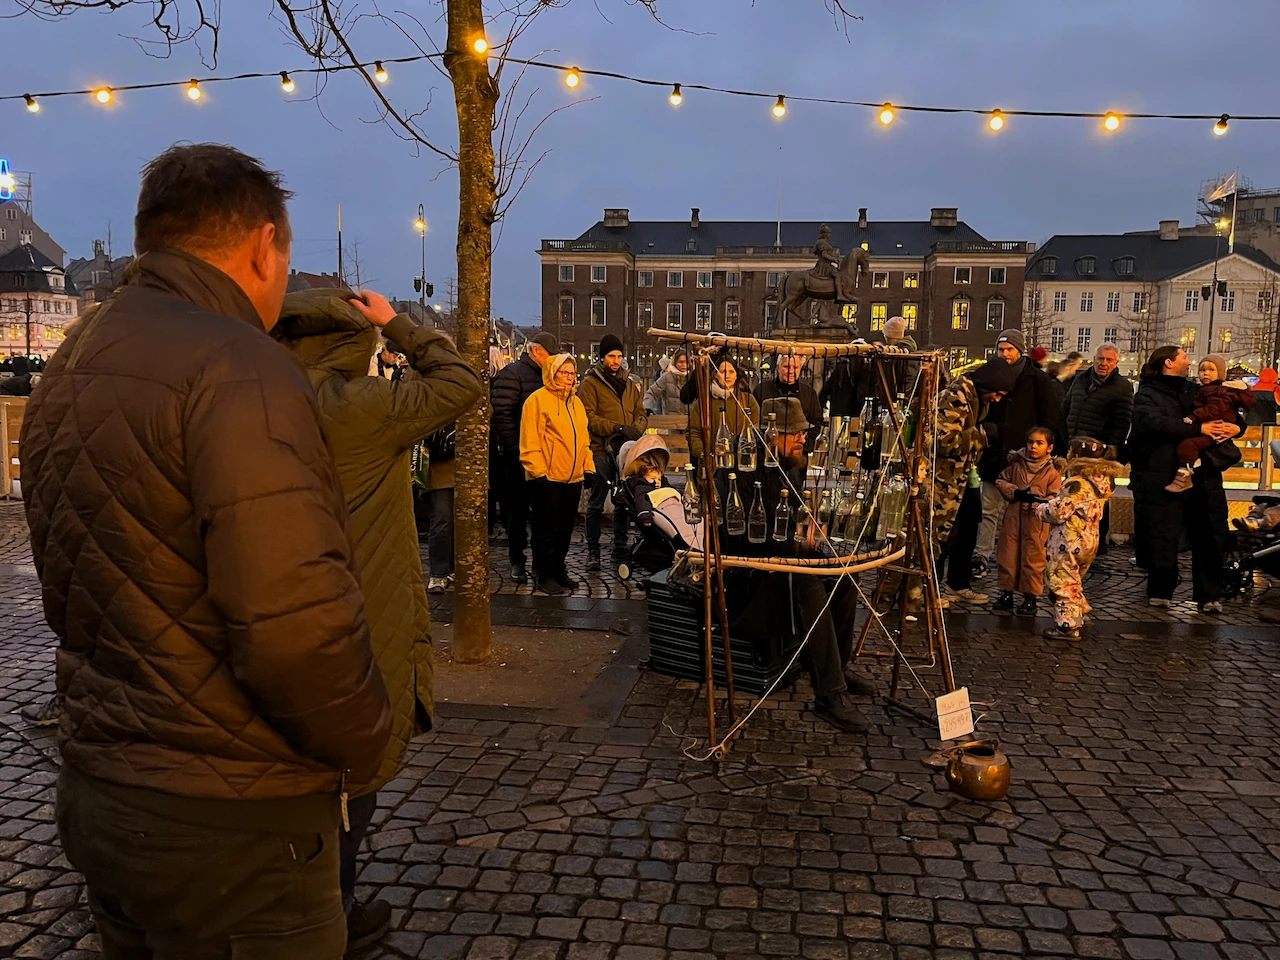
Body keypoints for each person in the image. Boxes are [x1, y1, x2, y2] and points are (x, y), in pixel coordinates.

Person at [19, 143, 392, 958]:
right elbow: (294, 626)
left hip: (105, 789)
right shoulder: (240, 368)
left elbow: (66, 579)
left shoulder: (74, 360)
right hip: (236, 820)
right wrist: (368, 741)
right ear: (264, 246)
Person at [273, 286, 481, 948]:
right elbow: (459, 382)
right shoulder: (355, 407)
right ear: (352, 344)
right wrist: (398, 323)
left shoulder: (260, 403)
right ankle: (331, 915)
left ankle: (314, 905)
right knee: (354, 765)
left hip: (287, 602)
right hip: (361, 605)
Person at [728, 396, 869, 734]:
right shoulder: (742, 469)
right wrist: (793, 542)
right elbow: (743, 535)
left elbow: (793, 517)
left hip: (782, 560)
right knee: (806, 581)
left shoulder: (787, 467)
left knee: (843, 574)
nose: (804, 440)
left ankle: (836, 665)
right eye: (797, 434)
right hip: (749, 576)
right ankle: (829, 694)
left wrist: (808, 530)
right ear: (774, 434)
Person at [1129, 345, 1241, 612]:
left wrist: (1237, 427)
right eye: (1184, 357)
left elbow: (1226, 409)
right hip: (1162, 473)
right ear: (1169, 363)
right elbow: (1153, 424)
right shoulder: (1148, 393)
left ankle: (1209, 594)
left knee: (1209, 534)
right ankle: (1160, 589)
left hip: (1204, 475)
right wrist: (1198, 427)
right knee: (1162, 535)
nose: (1190, 362)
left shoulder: (1195, 390)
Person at [974, 328, 1064, 579]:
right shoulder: (991, 375)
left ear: (1019, 350)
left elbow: (1051, 416)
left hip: (1028, 461)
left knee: (1028, 516)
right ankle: (982, 555)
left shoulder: (1037, 380)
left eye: (1009, 349)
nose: (1004, 354)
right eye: (1001, 350)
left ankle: (1028, 563)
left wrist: (1051, 449)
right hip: (995, 455)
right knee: (988, 510)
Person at [1037, 437, 1126, 641]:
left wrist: (1042, 509)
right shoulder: (1104, 481)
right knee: (1073, 578)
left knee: (1060, 580)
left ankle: (1067, 626)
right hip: (1089, 539)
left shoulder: (1076, 483)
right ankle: (1079, 610)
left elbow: (1059, 512)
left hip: (1068, 540)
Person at [520, 353, 595, 595]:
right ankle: (544, 573)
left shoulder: (576, 403)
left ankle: (559, 569)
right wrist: (538, 473)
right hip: (547, 477)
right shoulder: (537, 401)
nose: (569, 377)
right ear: (552, 373)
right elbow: (530, 440)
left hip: (572, 477)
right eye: (564, 372)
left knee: (564, 528)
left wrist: (588, 467)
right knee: (546, 529)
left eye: (572, 373)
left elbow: (583, 440)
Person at [490, 332, 558, 581]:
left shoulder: (547, 377)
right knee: (517, 510)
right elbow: (502, 415)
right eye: (549, 354)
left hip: (545, 454)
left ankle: (541, 562)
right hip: (518, 455)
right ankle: (517, 560)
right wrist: (513, 449)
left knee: (542, 511)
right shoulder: (513, 374)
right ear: (537, 351)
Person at [579, 334, 647, 570]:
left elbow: (641, 412)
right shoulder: (590, 383)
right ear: (602, 357)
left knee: (623, 502)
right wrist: (617, 428)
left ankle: (620, 548)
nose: (616, 360)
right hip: (601, 448)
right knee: (596, 503)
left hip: (625, 450)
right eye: (611, 356)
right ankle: (593, 551)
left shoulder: (629, 384)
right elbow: (588, 417)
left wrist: (635, 430)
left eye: (619, 356)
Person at [1061, 342, 1133, 549]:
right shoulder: (1080, 380)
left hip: (1100, 454)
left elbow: (1122, 422)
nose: (1104, 363)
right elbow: (1066, 408)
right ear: (1094, 359)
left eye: (1109, 360)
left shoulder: (1122, 387)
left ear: (1116, 362)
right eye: (1101, 358)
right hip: (1075, 450)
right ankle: (1073, 536)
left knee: (1099, 498)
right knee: (1073, 492)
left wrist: (1111, 450)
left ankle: (1098, 542)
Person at [992, 427, 1062, 616]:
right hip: (1014, 516)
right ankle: (1006, 592)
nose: (1033, 446)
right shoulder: (1016, 465)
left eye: (1039, 443)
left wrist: (1041, 500)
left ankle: (1030, 596)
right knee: (1008, 554)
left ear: (1049, 447)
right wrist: (1015, 492)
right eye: (1031, 442)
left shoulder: (1052, 472)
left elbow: (1056, 496)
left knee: (1033, 558)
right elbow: (1001, 481)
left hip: (1036, 520)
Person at [1165, 354, 1255, 493]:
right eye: (1202, 370)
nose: (1206, 373)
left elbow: (1222, 412)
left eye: (1211, 370)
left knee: (1189, 446)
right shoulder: (1203, 390)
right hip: (1204, 455)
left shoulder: (1217, 391)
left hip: (1213, 441)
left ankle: (1185, 473)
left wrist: (1235, 428)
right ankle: (1187, 470)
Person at [688, 359, 760, 466]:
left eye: (731, 372)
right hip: (712, 464)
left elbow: (756, 431)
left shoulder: (748, 400)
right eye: (723, 371)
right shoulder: (703, 402)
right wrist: (703, 453)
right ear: (715, 374)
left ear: (736, 375)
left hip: (741, 463)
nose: (727, 375)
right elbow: (693, 432)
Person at [753, 353, 822, 454]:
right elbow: (754, 422)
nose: (791, 371)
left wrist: (804, 448)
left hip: (797, 455)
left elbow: (816, 423)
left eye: (795, 367)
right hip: (767, 453)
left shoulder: (809, 392)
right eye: (786, 366)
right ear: (778, 367)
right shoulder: (761, 390)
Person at [425, 422, 459, 592]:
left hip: (469, 468)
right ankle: (438, 573)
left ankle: (452, 568)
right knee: (442, 520)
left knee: (459, 522)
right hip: (441, 469)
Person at [645, 348, 690, 416]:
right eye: (681, 362)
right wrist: (647, 407)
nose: (684, 365)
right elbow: (651, 393)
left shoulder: (693, 378)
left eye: (686, 362)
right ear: (675, 362)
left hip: (691, 422)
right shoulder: (667, 378)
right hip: (671, 422)